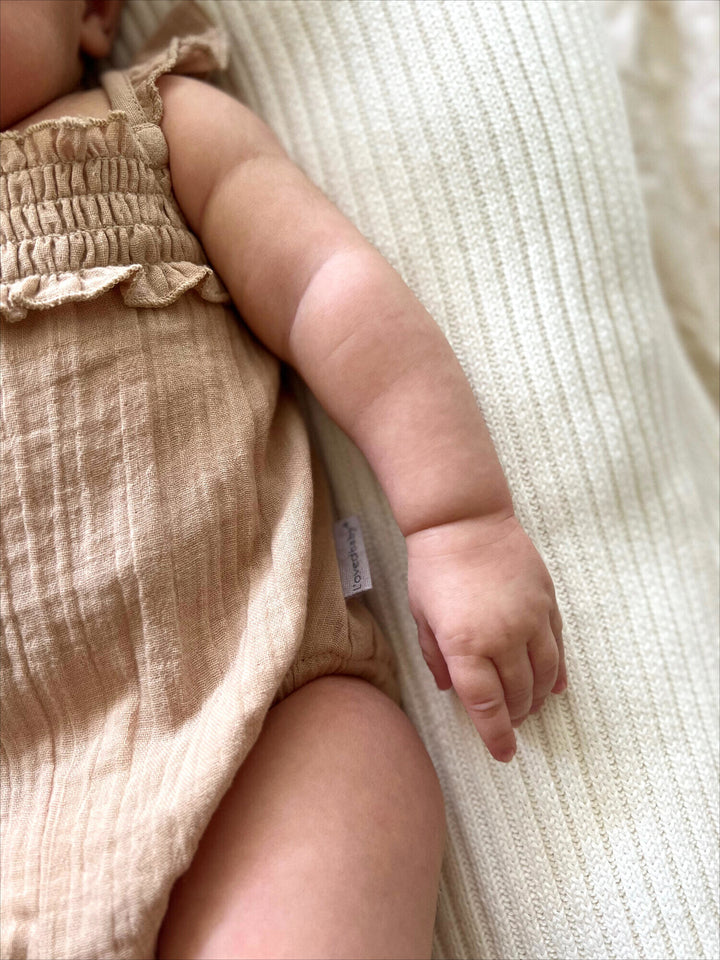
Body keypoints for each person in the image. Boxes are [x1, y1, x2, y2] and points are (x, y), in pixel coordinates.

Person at [0, 0, 566, 957]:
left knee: (358, 780)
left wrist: (458, 521)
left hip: (249, 704)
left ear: (92, 12)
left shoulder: (150, 127)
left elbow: (327, 292)